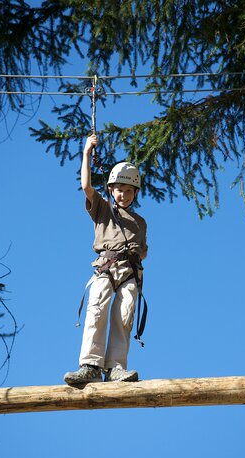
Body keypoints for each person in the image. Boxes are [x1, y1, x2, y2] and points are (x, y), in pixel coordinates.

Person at [64, 134, 148, 385]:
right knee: (97, 306)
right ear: (111, 190)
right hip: (106, 267)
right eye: (119, 191)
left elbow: (143, 250)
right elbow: (87, 186)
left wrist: (136, 257)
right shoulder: (103, 208)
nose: (123, 195)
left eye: (128, 191)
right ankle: (90, 365)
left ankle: (115, 368)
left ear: (135, 193)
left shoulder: (140, 222)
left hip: (130, 272)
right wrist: (87, 152)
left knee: (124, 315)